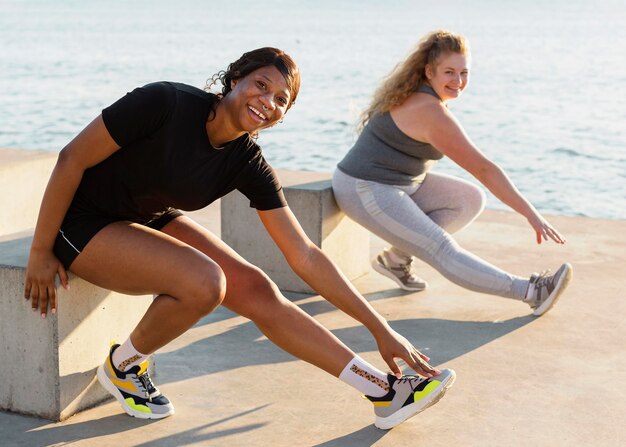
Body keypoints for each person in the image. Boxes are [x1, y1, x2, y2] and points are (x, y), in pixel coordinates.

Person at [23, 47, 454, 430]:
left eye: (280, 100)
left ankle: (384, 391)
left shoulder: (247, 160)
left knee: (258, 289)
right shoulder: (164, 103)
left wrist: (380, 330)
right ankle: (124, 366)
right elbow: (71, 158)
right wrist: (41, 250)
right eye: (260, 85)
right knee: (206, 281)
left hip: (146, 217)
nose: (266, 102)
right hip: (79, 222)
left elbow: (303, 254)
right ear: (234, 80)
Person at [332, 31, 572, 316]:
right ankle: (532, 292)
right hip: (366, 187)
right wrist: (530, 213)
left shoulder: (422, 94)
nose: (458, 81)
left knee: (468, 199)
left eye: (464, 72)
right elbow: (483, 168)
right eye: (449, 72)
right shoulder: (430, 112)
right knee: (441, 249)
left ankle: (396, 259)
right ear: (429, 71)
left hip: (401, 183)